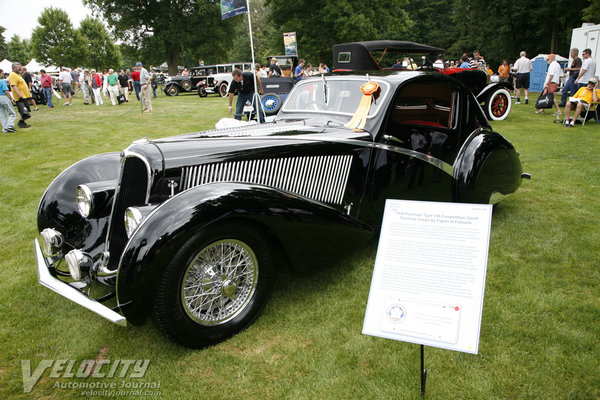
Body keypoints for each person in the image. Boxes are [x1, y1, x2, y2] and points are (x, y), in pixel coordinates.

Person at [9, 62, 32, 128]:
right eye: (19, 68)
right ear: (14, 68)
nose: (20, 69)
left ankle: (22, 122)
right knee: (22, 110)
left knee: (25, 110)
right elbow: (13, 85)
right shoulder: (13, 75)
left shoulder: (18, 75)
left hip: (24, 95)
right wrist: (19, 94)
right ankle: (21, 122)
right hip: (20, 96)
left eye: (20, 67)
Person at [0, 68, 17, 133]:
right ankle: (9, 126)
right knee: (12, 113)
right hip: (3, 97)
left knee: (2, 115)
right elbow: (6, 91)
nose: (2, 75)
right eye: (2, 73)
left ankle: (4, 129)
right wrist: (11, 99)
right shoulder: (1, 81)